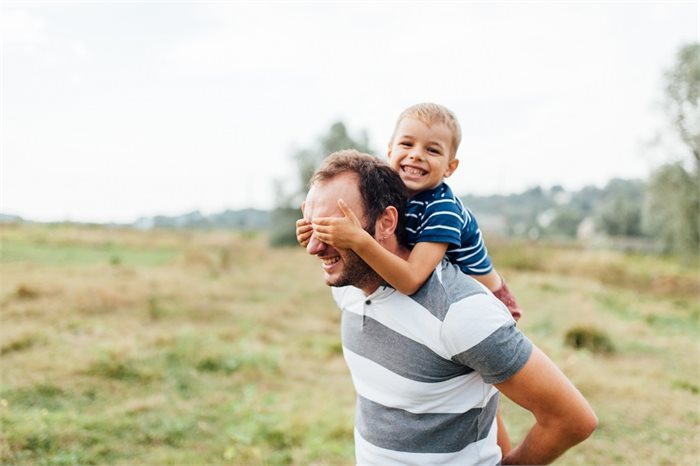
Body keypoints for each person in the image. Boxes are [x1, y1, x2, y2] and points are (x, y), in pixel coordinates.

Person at [302, 150, 597, 466]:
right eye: (311, 226)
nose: (313, 247)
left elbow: (571, 419)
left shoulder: (459, 313)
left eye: (333, 229)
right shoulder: (348, 286)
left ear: (386, 222)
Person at [297, 102, 523, 320]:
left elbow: (411, 280)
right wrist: (315, 231)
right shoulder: (391, 195)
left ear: (450, 167)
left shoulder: (443, 209)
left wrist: (359, 239)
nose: (416, 155)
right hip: (444, 297)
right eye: (406, 144)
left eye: (432, 150)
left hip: (488, 302)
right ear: (389, 150)